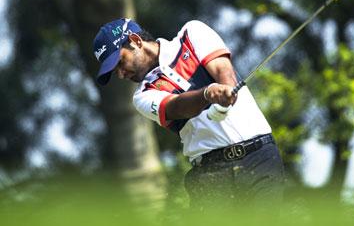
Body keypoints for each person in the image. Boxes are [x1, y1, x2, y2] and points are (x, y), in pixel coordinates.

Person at [93, 18, 285, 210]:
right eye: (114, 71)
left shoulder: (191, 33)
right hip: (211, 173)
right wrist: (208, 94)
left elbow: (223, 69)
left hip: (260, 157)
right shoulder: (142, 96)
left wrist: (225, 91)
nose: (120, 74)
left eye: (120, 62)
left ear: (135, 40)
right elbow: (177, 107)